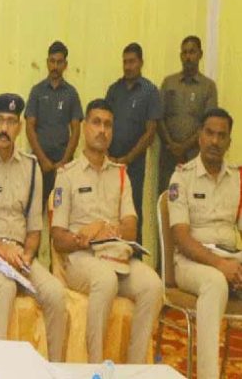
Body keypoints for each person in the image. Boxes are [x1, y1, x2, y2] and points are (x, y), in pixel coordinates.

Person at [51, 99, 162, 364]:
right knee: (105, 280)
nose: (102, 130)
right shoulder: (67, 175)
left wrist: (101, 226)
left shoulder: (121, 174)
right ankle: (96, 367)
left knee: (153, 285)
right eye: (97, 123)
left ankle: (135, 368)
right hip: (81, 259)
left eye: (108, 125)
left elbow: (131, 229)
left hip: (117, 257)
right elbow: (58, 238)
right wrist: (84, 238)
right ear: (85, 128)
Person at [0, 93, 67, 361]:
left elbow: (34, 230)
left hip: (21, 256)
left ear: (19, 127)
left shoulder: (31, 168)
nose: (4, 128)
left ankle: (54, 368)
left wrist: (27, 256)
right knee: (5, 288)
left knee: (55, 293)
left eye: (10, 121)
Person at [168, 108, 240, 379]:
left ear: (229, 142)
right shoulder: (181, 178)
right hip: (192, 263)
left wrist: (233, 266)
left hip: (231, 259)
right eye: (210, 133)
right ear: (199, 136)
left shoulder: (238, 179)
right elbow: (182, 238)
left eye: (222, 136)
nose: (215, 141)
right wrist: (221, 265)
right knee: (215, 282)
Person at [105, 42, 162, 245]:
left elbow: (150, 132)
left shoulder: (149, 91)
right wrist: (109, 157)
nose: (128, 66)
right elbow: (104, 122)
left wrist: (127, 159)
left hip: (134, 165)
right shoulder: (114, 90)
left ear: (141, 62)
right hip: (110, 162)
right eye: (125, 62)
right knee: (109, 211)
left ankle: (135, 255)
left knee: (133, 212)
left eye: (132, 62)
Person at [25, 40, 83, 208]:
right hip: (40, 162)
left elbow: (76, 131)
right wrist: (43, 160)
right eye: (52, 61)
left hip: (64, 164)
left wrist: (64, 162)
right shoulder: (37, 91)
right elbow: (29, 127)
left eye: (59, 62)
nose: (55, 66)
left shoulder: (71, 93)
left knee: (63, 210)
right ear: (47, 62)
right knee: (35, 210)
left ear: (65, 65)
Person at [158, 35, 217, 193]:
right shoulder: (169, 82)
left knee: (195, 199)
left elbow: (209, 124)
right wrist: (172, 145)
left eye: (192, 52)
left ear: (200, 54)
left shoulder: (208, 87)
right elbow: (159, 118)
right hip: (168, 156)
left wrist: (183, 147)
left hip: (195, 156)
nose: (188, 57)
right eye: (184, 52)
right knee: (167, 198)